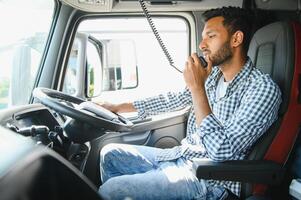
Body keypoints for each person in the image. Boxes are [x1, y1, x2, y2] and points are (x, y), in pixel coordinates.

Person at [97, 6, 282, 200]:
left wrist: (197, 89)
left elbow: (221, 151)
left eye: (210, 36)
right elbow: (173, 99)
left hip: (208, 180)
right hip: (183, 157)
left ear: (236, 39)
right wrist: (117, 107)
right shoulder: (213, 77)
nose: (202, 45)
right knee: (110, 154)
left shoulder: (262, 89)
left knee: (112, 191)